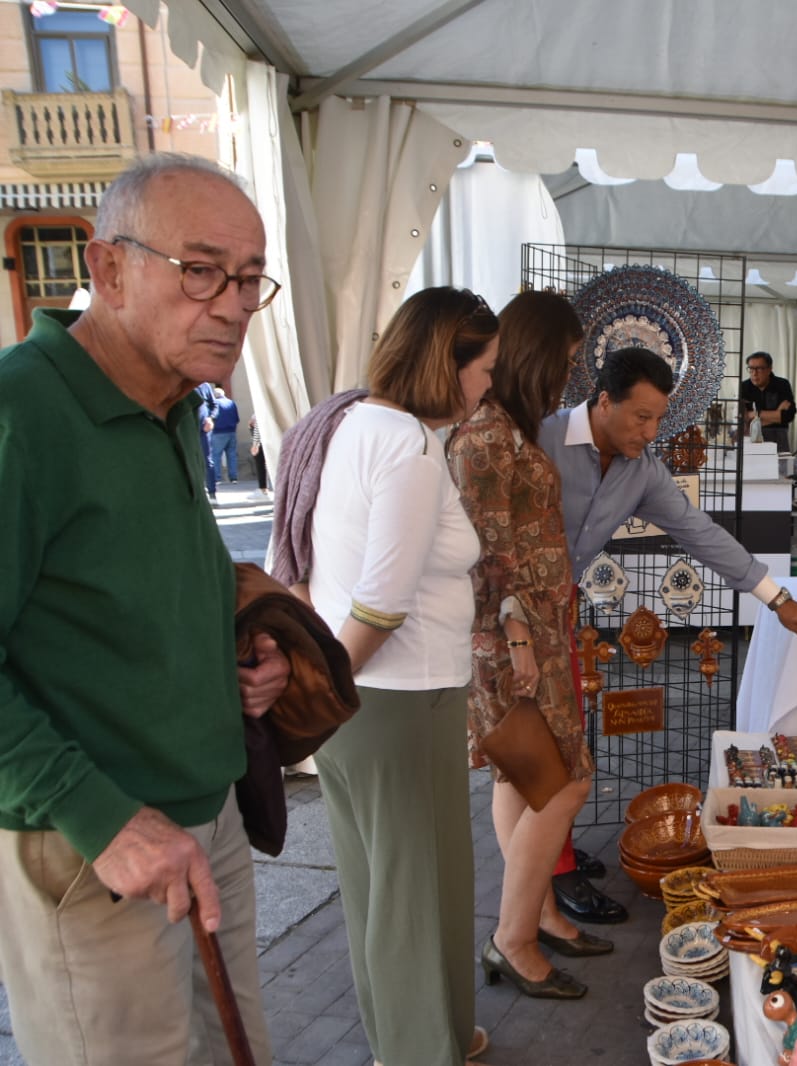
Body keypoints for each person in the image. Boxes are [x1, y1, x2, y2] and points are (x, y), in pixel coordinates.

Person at [0, 152, 290, 1065]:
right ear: (109, 268)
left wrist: (235, 660)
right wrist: (98, 816)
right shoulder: (21, 411)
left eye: (248, 278)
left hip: (207, 816)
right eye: (201, 270)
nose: (234, 304)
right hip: (97, 847)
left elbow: (122, 592)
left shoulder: (170, 401)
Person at [538, 346, 797, 923]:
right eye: (641, 417)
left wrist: (777, 599)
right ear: (603, 401)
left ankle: (554, 848)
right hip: (510, 615)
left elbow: (700, 532)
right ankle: (551, 875)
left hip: (559, 610)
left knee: (567, 738)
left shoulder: (641, 468)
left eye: (658, 419)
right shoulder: (542, 439)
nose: (651, 432)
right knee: (544, 748)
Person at [297, 287, 498, 1066]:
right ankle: (419, 1051)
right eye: (483, 368)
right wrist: (333, 688)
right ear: (445, 363)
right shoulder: (408, 446)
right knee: (414, 895)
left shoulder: (354, 421)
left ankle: (425, 1037)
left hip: (378, 703)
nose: (488, 385)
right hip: (398, 701)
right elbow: (380, 604)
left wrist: (329, 692)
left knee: (388, 890)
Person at [449, 290, 607, 1001]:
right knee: (565, 781)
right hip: (515, 637)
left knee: (519, 777)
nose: (568, 376)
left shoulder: (507, 428)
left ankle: (537, 917)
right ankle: (512, 940)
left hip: (529, 630)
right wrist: (519, 637)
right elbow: (485, 551)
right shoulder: (489, 435)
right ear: (537, 353)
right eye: (565, 360)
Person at [740, 350, 796, 451]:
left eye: (759, 369)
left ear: (769, 369)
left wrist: (753, 414)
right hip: (750, 439)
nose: (754, 373)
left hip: (778, 438)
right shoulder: (744, 387)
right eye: (751, 369)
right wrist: (776, 414)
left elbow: (787, 416)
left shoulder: (782, 384)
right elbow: (743, 419)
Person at [210, 384, 241, 483]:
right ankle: (233, 478)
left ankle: (217, 478)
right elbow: (237, 418)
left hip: (218, 432)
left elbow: (212, 417)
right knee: (232, 455)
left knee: (216, 456)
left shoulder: (215, 403)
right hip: (231, 431)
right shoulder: (231, 403)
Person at [196, 379, 219, 501]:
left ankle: (212, 493)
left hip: (203, 430)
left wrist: (211, 418)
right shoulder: (180, 383)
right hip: (186, 430)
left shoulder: (204, 385)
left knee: (207, 460)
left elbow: (214, 405)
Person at [248, 413, 271, 500]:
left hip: (264, 440)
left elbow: (258, 426)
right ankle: (263, 489)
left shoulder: (261, 411)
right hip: (268, 439)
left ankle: (263, 489)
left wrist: (255, 443)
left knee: (261, 464)